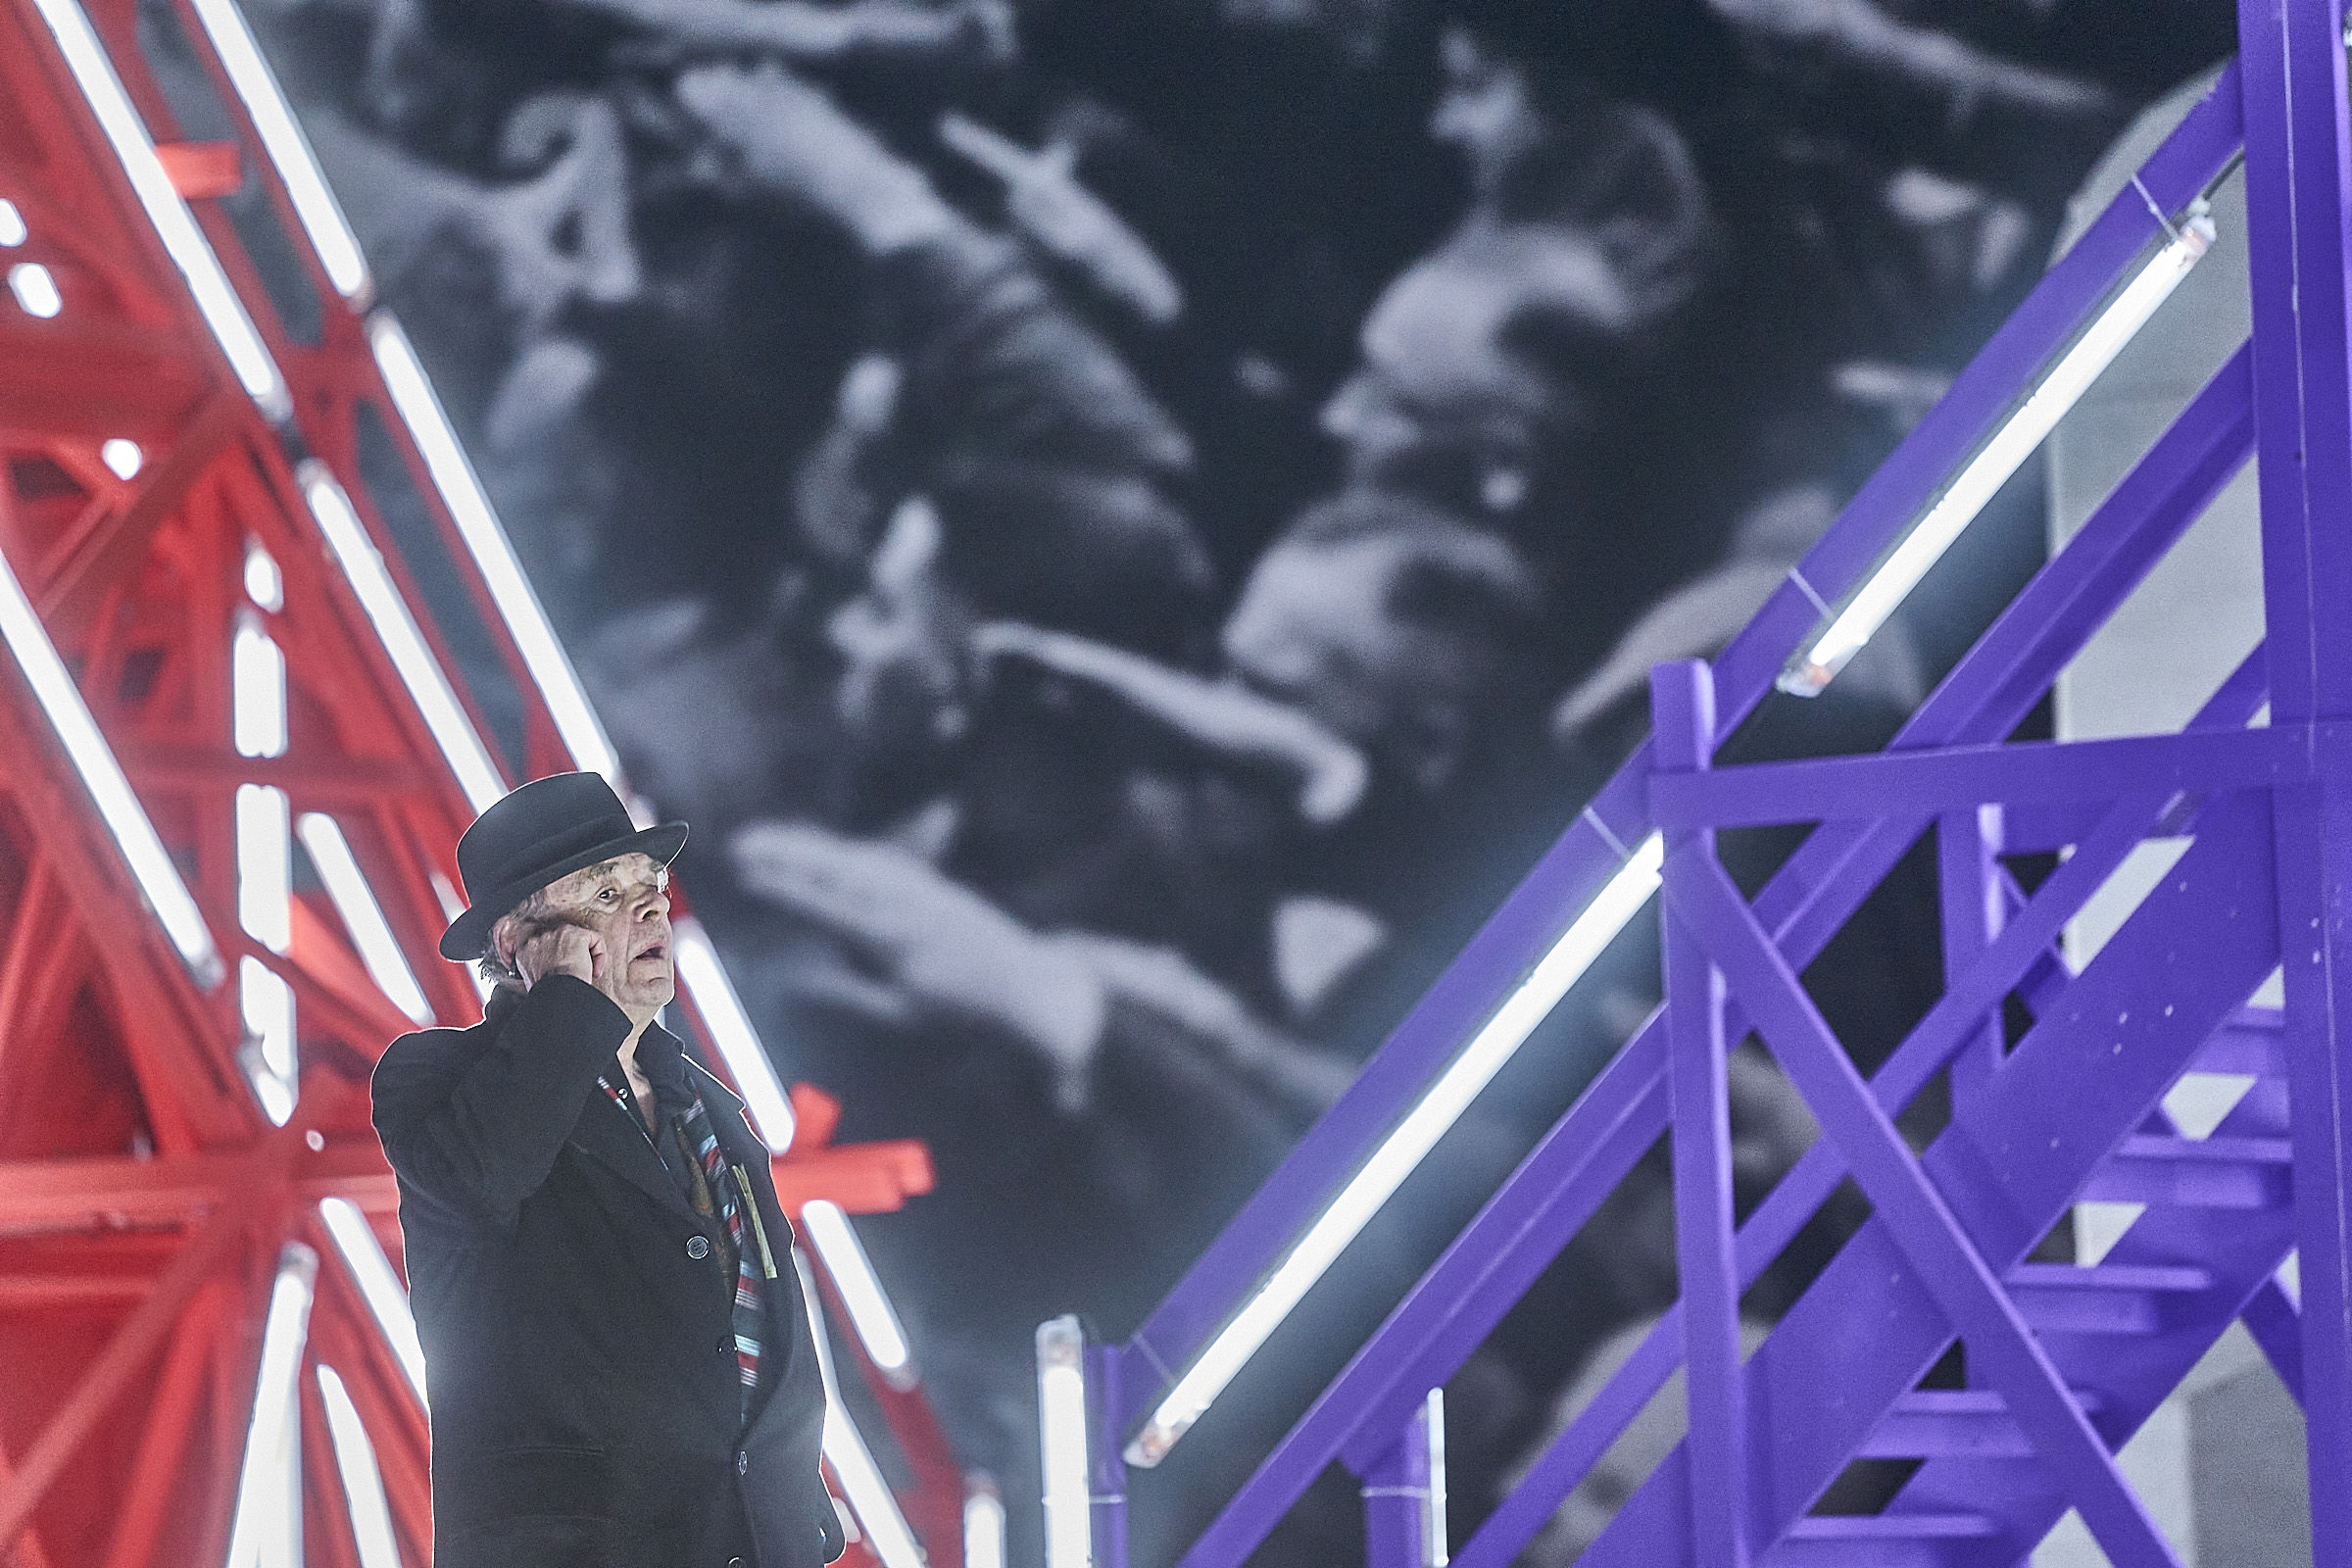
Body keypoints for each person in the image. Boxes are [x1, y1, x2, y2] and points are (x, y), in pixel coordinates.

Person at [370, 772, 844, 1568]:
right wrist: (565, 1000)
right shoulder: (439, 1079)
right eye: (606, 893)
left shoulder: (710, 1106)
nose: (652, 907)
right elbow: (477, 1177)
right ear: (517, 943)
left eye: (650, 884)